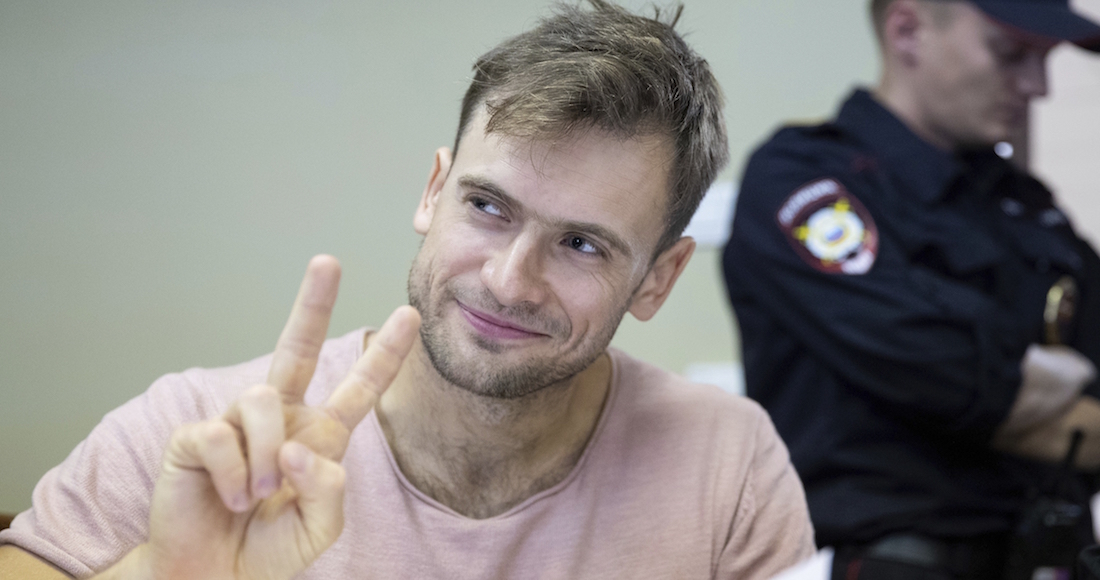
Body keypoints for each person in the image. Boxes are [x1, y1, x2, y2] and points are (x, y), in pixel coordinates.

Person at [0, 1, 816, 579]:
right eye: (487, 207)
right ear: (434, 191)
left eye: (581, 244)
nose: (507, 281)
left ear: (659, 278)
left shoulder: (728, 465)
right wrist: (162, 575)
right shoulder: (200, 437)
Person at [722, 0, 1100, 578]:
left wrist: (997, 387)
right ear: (907, 30)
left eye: (1044, 61)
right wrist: (1018, 386)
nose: (1037, 86)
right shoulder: (802, 176)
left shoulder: (1025, 204)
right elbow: (940, 371)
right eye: (1011, 55)